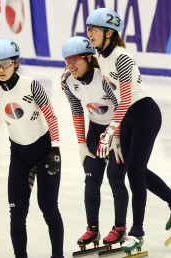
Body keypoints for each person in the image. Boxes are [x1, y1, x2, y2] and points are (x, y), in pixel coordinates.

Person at [86, 8, 171, 252]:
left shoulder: (122, 57)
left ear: (109, 33)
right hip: (127, 117)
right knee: (134, 168)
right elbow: (110, 94)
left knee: (134, 171)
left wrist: (111, 129)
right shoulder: (100, 55)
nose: (89, 33)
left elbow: (124, 98)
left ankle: (137, 231)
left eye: (94, 29)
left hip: (145, 114)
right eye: (88, 29)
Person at [0, 38, 64, 258]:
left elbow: (52, 119)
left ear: (16, 62)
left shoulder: (31, 85)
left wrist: (55, 150)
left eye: (5, 63)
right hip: (19, 156)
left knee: (48, 207)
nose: (0, 69)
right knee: (16, 213)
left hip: (44, 152)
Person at [60, 36, 128, 250]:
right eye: (66, 61)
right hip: (96, 131)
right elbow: (77, 111)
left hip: (119, 129)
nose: (70, 66)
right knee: (91, 181)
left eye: (75, 60)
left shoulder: (104, 78)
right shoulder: (68, 82)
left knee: (116, 179)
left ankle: (120, 229)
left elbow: (121, 106)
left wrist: (116, 136)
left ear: (88, 58)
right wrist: (82, 144)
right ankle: (93, 228)